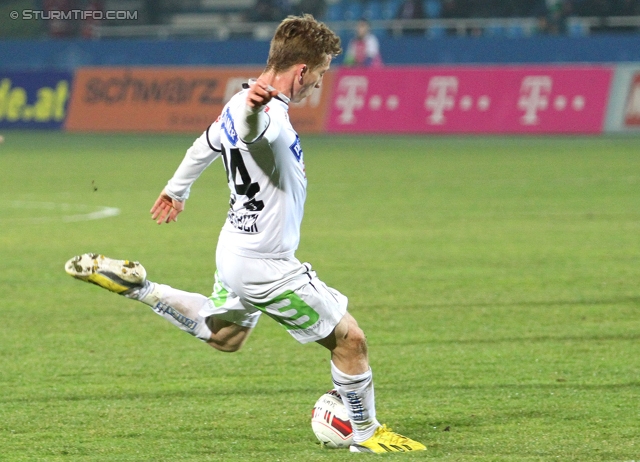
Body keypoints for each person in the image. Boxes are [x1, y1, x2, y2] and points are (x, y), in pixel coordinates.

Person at [65, 14, 425, 454]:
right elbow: (255, 134)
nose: (319, 87)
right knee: (350, 340)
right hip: (266, 265)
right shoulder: (264, 113)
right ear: (301, 71)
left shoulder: (237, 104)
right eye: (321, 75)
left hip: (235, 247)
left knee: (224, 336)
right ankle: (366, 435)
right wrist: (255, 111)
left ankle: (143, 289)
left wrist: (176, 190)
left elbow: (207, 143)